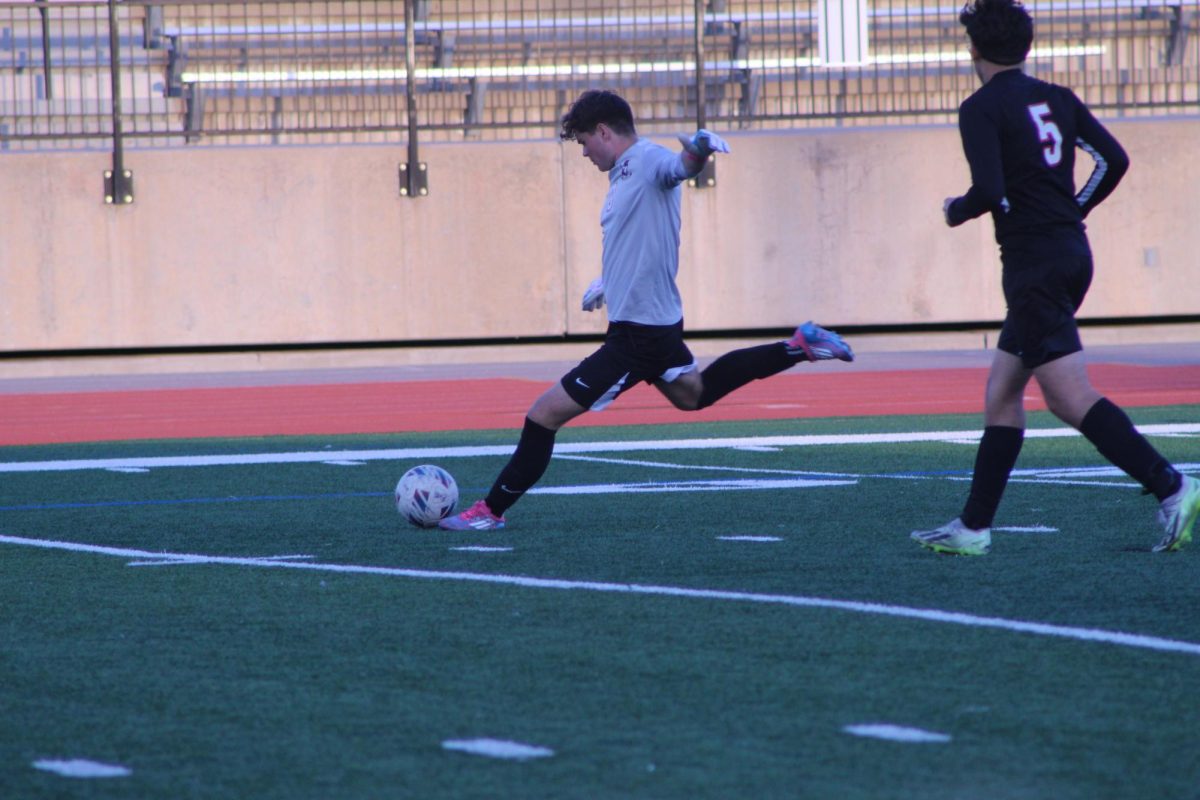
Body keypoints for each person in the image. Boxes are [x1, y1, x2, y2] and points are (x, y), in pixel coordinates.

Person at [440, 88, 853, 531]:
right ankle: (798, 346)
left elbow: (679, 169)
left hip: (636, 338)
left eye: (583, 142)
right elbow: (637, 240)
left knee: (542, 416)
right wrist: (608, 283)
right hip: (653, 325)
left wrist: (697, 151)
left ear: (603, 131)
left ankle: (489, 512)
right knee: (692, 394)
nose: (583, 153)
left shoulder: (647, 159)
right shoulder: (622, 174)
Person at [911, 0, 1199, 555]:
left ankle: (1173, 486)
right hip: (1069, 251)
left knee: (1069, 398)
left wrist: (954, 210)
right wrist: (1074, 210)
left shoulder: (980, 108)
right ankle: (973, 528)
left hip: (1034, 265)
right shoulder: (1059, 98)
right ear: (1026, 45)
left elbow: (990, 191)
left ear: (973, 47)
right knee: (1002, 393)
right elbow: (1112, 160)